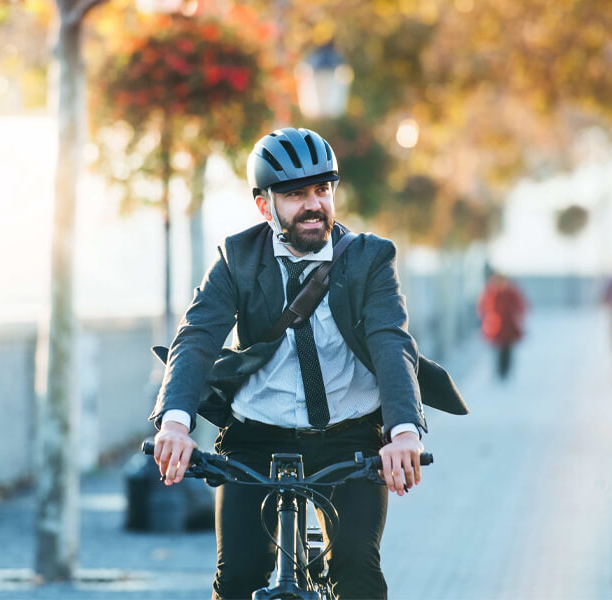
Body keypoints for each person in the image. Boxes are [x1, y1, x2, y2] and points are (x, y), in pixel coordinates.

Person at [149, 127, 430, 600]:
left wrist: (403, 432)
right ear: (265, 206)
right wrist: (175, 424)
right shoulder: (237, 258)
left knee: (358, 572)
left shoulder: (368, 259)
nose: (314, 204)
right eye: (296, 194)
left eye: (322, 190)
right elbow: (196, 337)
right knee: (236, 578)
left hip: (349, 436)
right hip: (256, 437)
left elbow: (390, 340)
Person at [476, 272, 527, 380]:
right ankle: (499, 372)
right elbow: (483, 307)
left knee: (508, 350)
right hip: (496, 327)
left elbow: (520, 307)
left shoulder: (511, 293)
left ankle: (506, 371)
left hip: (509, 327)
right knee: (499, 350)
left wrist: (517, 318)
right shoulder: (491, 293)